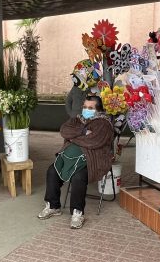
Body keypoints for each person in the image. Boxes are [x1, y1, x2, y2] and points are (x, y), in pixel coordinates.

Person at [38, 94, 114, 229]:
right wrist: (83, 131)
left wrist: (73, 138)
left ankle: (77, 213)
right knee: (52, 170)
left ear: (98, 109)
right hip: (69, 157)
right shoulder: (77, 120)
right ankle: (53, 206)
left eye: (90, 107)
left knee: (78, 177)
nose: (86, 109)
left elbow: (94, 141)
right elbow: (64, 131)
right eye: (85, 107)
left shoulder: (104, 124)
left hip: (93, 160)